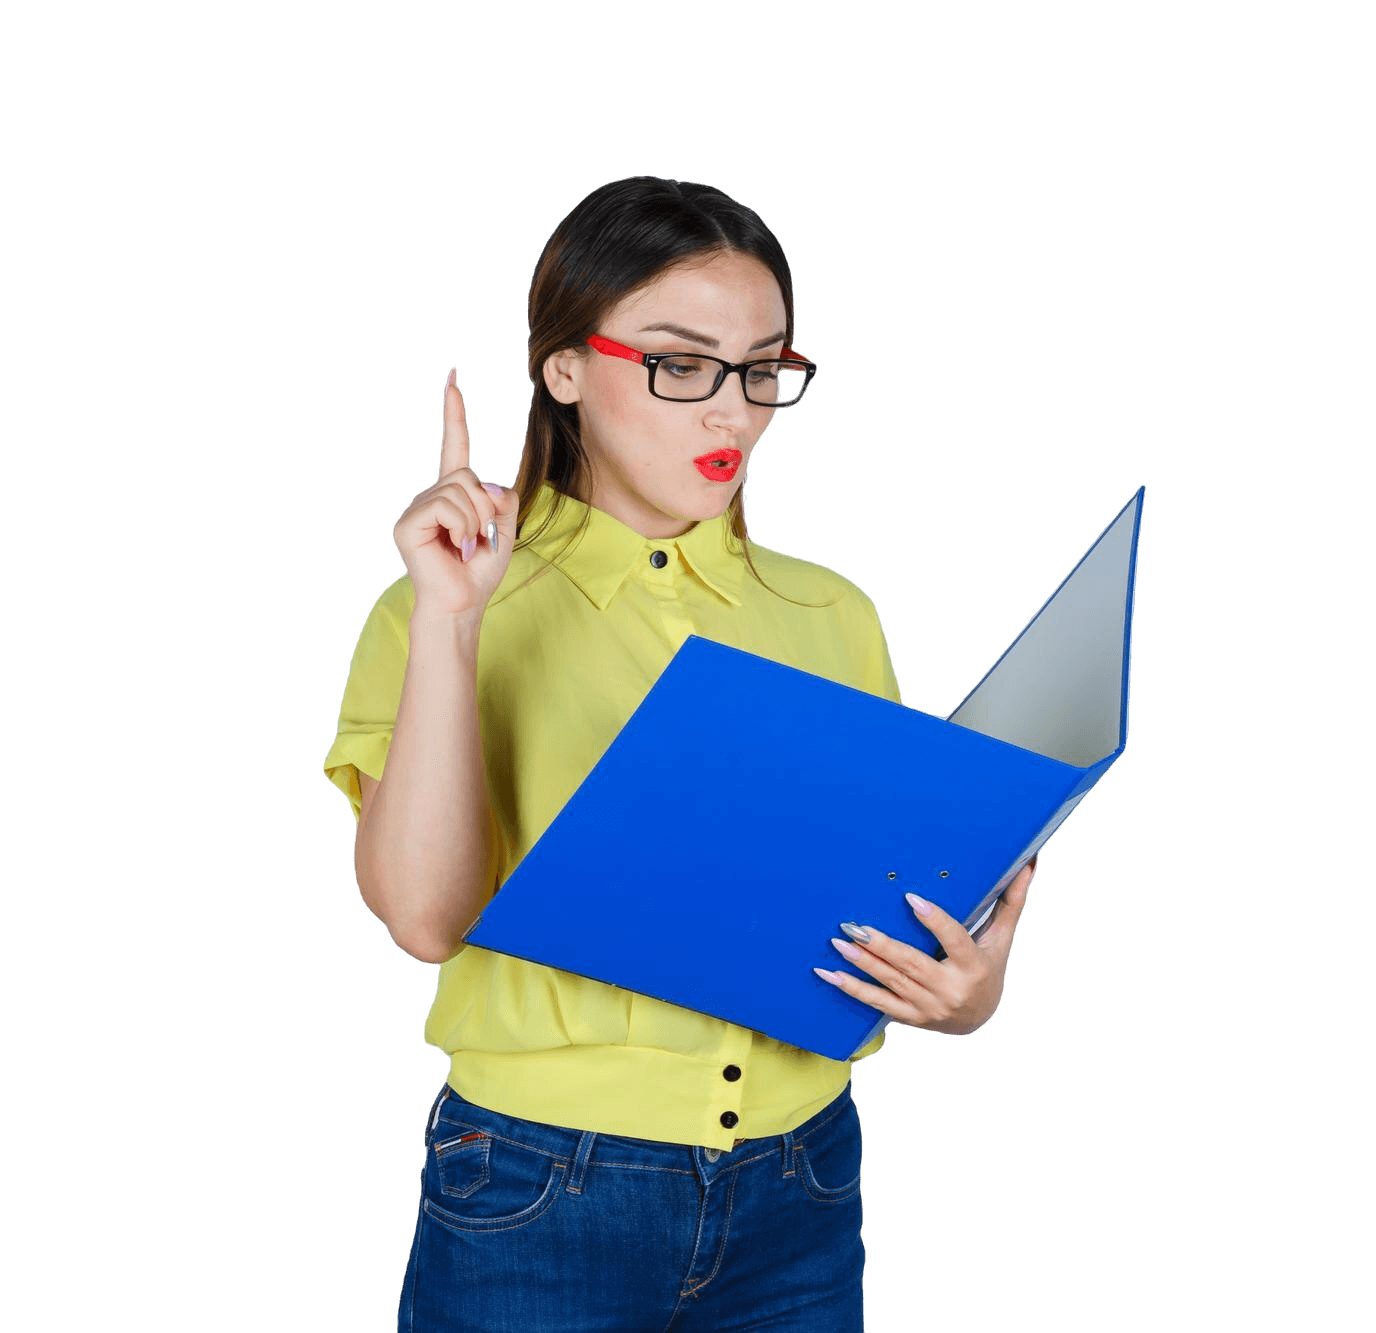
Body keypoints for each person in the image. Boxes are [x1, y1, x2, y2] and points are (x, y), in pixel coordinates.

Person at [321, 176, 1039, 1331]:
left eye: (760, 370)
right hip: (539, 1185)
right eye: (680, 364)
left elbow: (872, 911)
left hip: (802, 1182)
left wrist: (963, 990)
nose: (731, 413)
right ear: (565, 369)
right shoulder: (439, 604)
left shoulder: (831, 611)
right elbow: (420, 920)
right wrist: (453, 624)